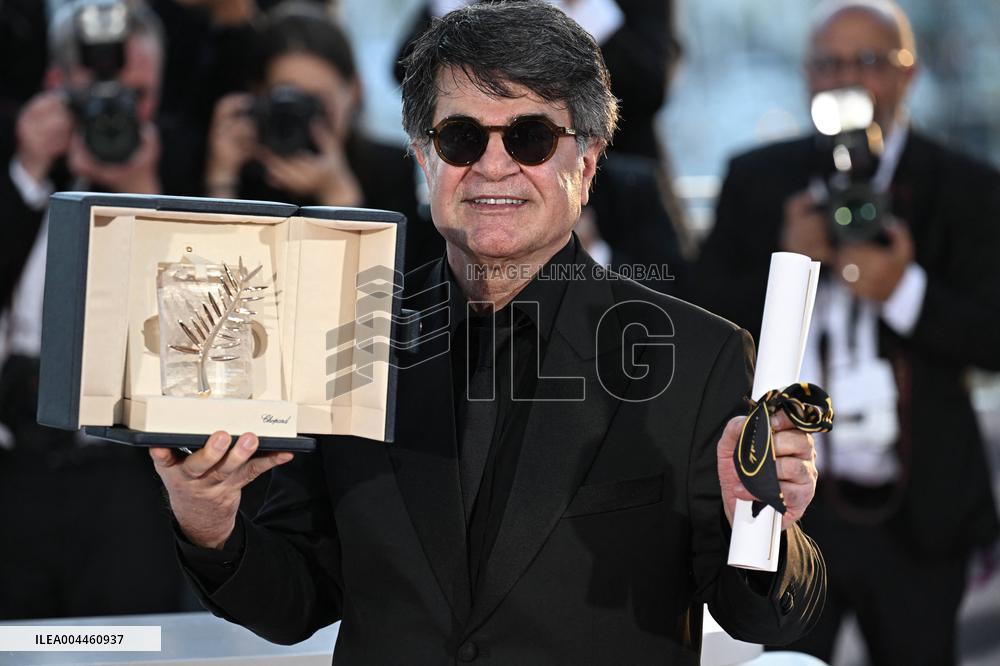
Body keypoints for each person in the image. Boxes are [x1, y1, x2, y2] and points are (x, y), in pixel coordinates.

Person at [153, 3, 826, 663]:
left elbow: (759, 616)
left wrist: (762, 529)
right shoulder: (346, 337)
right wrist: (210, 524)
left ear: (587, 162)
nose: (493, 165)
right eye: (462, 138)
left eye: (530, 137)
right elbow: (298, 601)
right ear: (424, 158)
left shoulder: (696, 358)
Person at [691, 1, 1000, 664]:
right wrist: (788, 262)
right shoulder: (758, 178)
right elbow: (702, 314)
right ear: (806, 75)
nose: (846, 80)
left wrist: (903, 292)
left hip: (921, 510)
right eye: (829, 62)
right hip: (791, 504)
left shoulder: (966, 186)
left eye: (867, 62)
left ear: (908, 74)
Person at [0, 1, 188, 619]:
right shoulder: (14, 176)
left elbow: (198, 329)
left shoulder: (181, 174)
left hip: (124, 481)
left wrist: (146, 198)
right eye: (93, 91)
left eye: (133, 94)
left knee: (128, 648)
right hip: (14, 472)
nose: (113, 107)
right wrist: (28, 172)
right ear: (55, 87)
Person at [203, 2, 438, 270]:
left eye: (316, 102)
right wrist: (221, 177)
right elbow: (210, 269)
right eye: (287, 98)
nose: (303, 117)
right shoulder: (244, 166)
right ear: (259, 96)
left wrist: (339, 195)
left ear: (354, 92)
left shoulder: (388, 168)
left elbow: (389, 289)